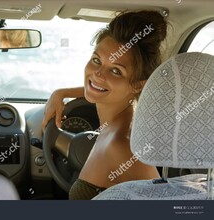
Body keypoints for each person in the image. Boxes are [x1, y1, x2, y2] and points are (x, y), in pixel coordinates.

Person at [42, 10, 168, 200]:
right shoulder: (116, 126)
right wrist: (61, 93)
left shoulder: (122, 146)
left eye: (116, 71)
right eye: (96, 60)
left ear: (138, 85)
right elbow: (98, 84)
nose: (98, 74)